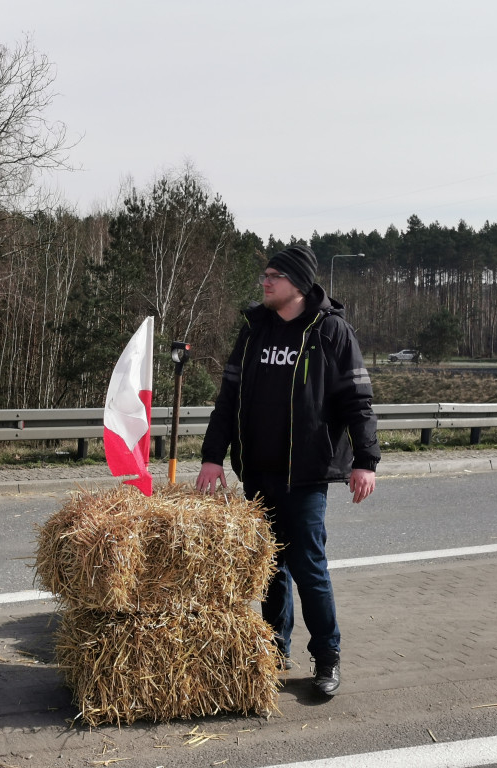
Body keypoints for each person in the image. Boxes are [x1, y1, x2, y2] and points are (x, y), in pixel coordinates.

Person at [195, 244, 379, 697]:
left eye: (273, 276)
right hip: (257, 470)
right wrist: (212, 456)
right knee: (269, 568)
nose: (264, 281)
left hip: (307, 474)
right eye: (264, 274)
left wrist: (365, 461)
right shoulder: (253, 329)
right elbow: (228, 400)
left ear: (296, 283)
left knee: (308, 566)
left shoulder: (330, 331)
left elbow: (358, 401)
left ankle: (327, 657)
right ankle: (274, 651)